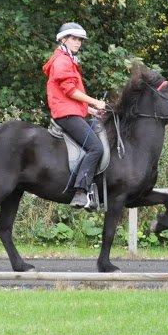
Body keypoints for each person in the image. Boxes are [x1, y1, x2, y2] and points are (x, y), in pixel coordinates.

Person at [42, 22, 107, 208]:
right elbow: (70, 91)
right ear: (63, 39)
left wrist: (91, 110)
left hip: (71, 111)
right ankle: (80, 192)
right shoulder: (62, 61)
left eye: (80, 40)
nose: (78, 43)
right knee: (96, 148)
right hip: (66, 115)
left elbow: (71, 98)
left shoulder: (69, 60)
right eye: (74, 38)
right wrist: (95, 101)